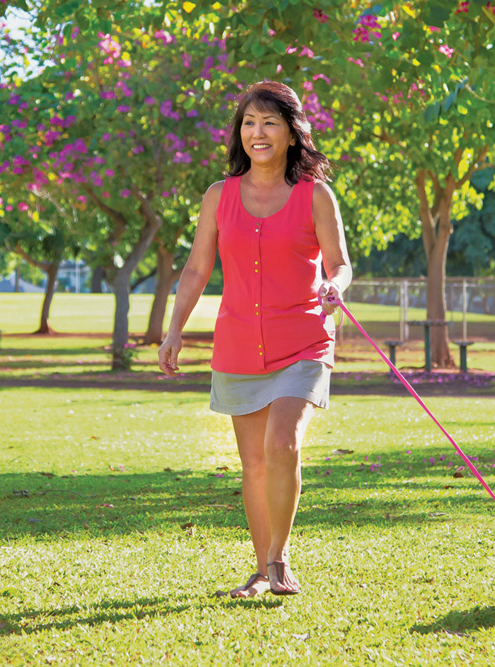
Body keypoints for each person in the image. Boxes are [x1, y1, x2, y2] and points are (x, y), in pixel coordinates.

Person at [158, 80, 352, 597]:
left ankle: (279, 560)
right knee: (254, 463)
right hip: (239, 345)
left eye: (269, 122)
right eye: (249, 122)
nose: (257, 132)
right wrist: (174, 330)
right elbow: (197, 268)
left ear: (292, 133)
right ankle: (261, 571)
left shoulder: (315, 195)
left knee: (281, 442)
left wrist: (336, 285)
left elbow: (340, 263)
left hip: (304, 341)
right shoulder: (219, 196)